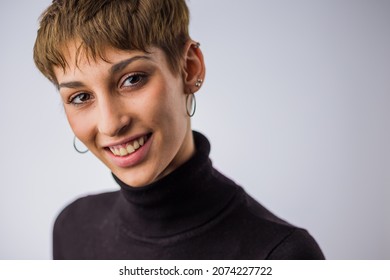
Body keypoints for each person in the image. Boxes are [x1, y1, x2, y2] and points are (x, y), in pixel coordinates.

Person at [33, 0, 325, 260]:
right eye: (81, 97)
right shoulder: (72, 229)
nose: (110, 124)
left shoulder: (281, 255)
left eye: (132, 79)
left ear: (190, 68)